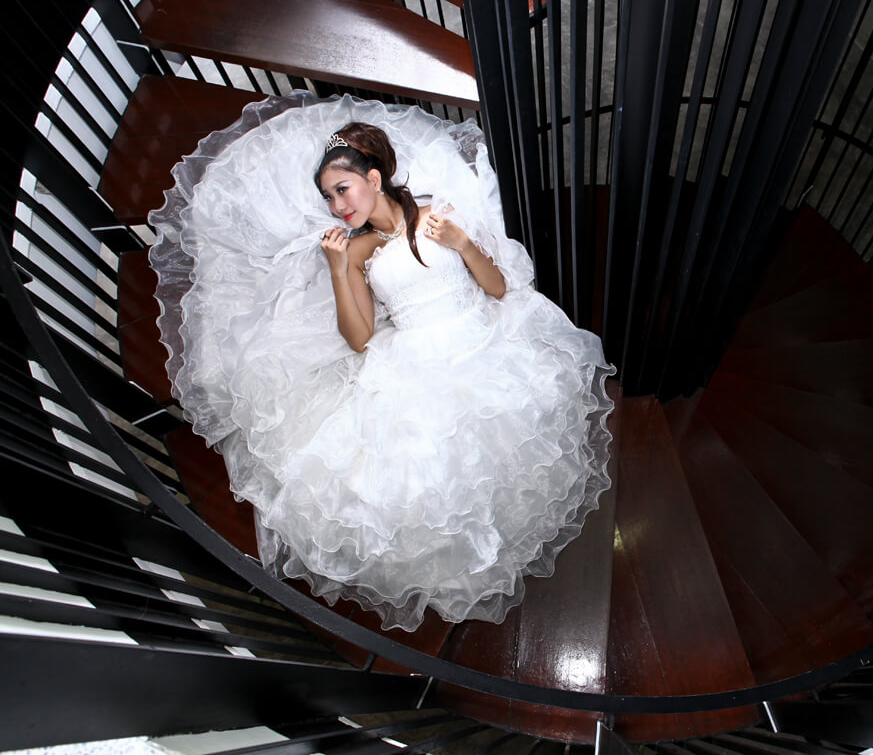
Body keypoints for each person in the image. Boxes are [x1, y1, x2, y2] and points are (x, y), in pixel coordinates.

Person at [150, 94, 615, 632]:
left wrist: (463, 244)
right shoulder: (356, 249)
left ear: (374, 177)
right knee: (424, 474)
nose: (337, 206)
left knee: (507, 444)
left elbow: (498, 288)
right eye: (328, 197)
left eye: (341, 189)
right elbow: (359, 337)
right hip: (415, 357)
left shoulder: (439, 214)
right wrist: (336, 269)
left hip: (483, 342)